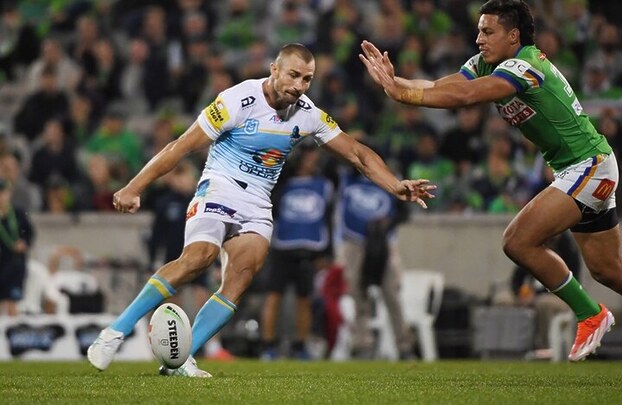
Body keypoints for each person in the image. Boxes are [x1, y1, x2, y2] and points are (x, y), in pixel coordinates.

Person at [87, 43, 436, 377]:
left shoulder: (308, 114)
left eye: (307, 79)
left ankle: (182, 360)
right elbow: (180, 147)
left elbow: (358, 154)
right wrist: (135, 186)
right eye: (294, 75)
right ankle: (114, 333)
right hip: (220, 186)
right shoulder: (237, 101)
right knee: (199, 257)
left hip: (257, 201)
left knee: (240, 277)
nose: (299, 86)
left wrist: (395, 185)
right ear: (274, 70)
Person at [359, 0, 619, 361]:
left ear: (513, 36)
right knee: (609, 271)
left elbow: (465, 96)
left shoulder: (525, 65)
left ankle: (590, 314)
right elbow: (438, 84)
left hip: (588, 166)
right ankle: (592, 312)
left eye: (488, 31)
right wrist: (394, 83)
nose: (478, 38)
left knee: (518, 241)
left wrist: (401, 92)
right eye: (479, 30)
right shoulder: (487, 63)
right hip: (582, 168)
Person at [259, 141, 334, 360]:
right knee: (273, 296)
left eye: (314, 155)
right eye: (308, 155)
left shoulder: (324, 184)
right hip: (282, 246)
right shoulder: (282, 183)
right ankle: (268, 346)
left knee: (304, 299)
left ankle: (300, 345)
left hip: (310, 248)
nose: (313, 159)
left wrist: (326, 253)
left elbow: (327, 219)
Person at [0, 177, 35, 316]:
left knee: (12, 302)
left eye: (4, 193)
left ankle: (14, 333)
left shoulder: (18, 214)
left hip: (15, 263)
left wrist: (24, 243)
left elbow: (29, 233)